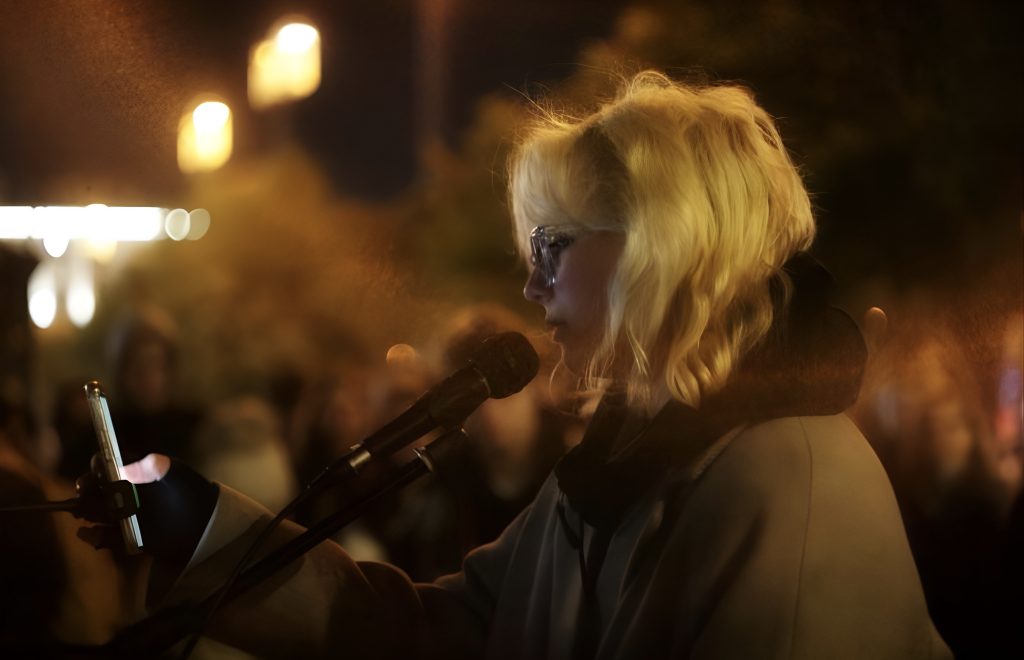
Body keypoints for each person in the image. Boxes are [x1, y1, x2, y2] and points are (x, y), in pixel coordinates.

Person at [85, 71, 951, 659]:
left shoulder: (794, 483)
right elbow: (440, 630)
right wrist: (200, 525)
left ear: (661, 245)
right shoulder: (621, 464)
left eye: (551, 246)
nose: (531, 286)